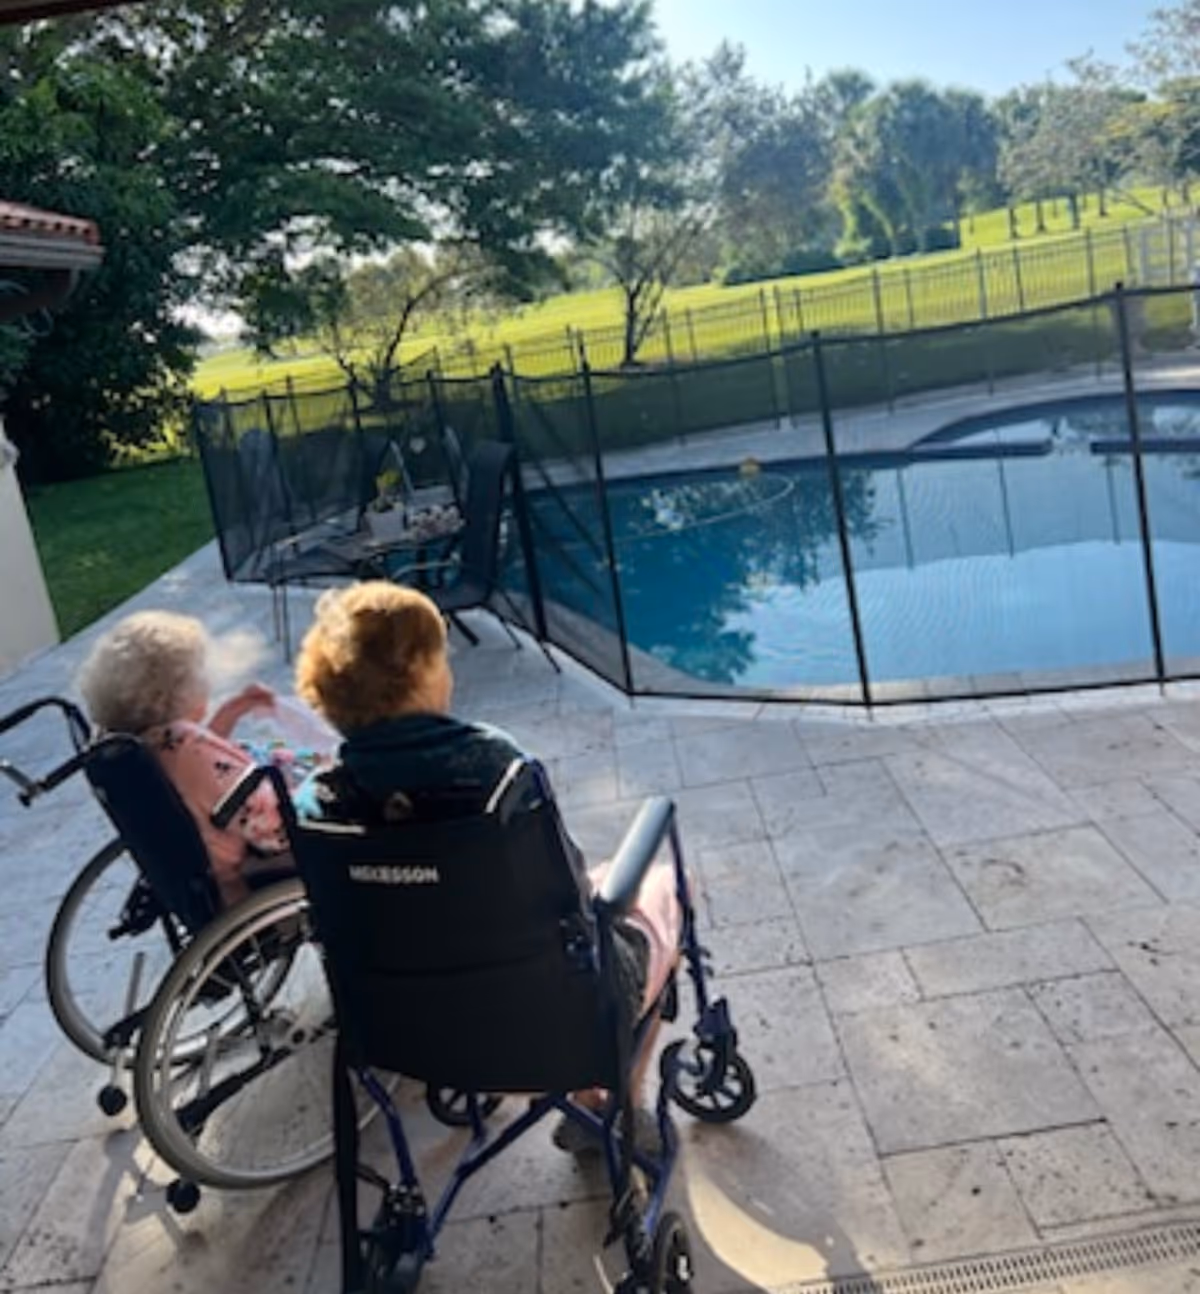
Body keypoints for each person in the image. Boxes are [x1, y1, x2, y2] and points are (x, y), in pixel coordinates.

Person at [293, 581, 683, 1153]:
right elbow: (569, 898)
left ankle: (587, 1102)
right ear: (420, 673)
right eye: (441, 657)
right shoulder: (495, 771)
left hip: (407, 1035)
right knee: (662, 888)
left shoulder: (321, 801)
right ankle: (610, 1104)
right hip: (550, 1028)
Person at [76, 610, 298, 907]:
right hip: (244, 878)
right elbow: (267, 827)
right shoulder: (189, 749)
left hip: (203, 867)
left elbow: (205, 771)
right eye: (199, 672)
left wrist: (233, 710)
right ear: (173, 690)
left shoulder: (158, 741)